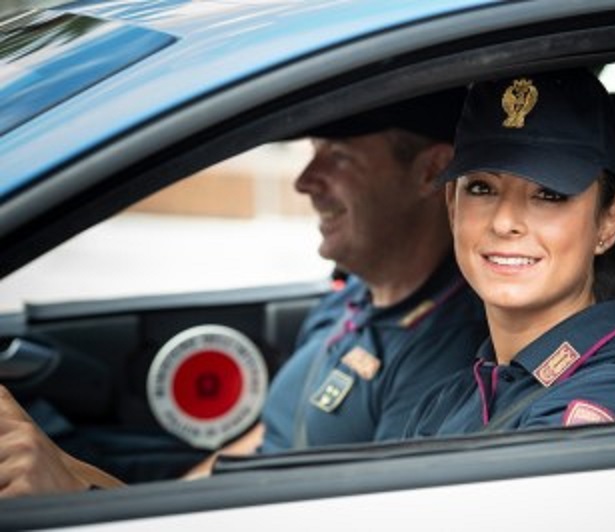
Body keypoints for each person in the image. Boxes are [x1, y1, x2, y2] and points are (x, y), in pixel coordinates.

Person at [0, 89, 489, 496]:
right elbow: (258, 446)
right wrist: (87, 484)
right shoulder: (355, 296)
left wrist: (78, 500)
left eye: (338, 156)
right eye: (314, 151)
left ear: (431, 171)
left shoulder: (445, 359)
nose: (304, 180)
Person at [402, 69, 615, 437]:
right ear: (452, 205)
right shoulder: (446, 401)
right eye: (482, 188)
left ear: (609, 221)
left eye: (549, 194)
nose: (505, 221)